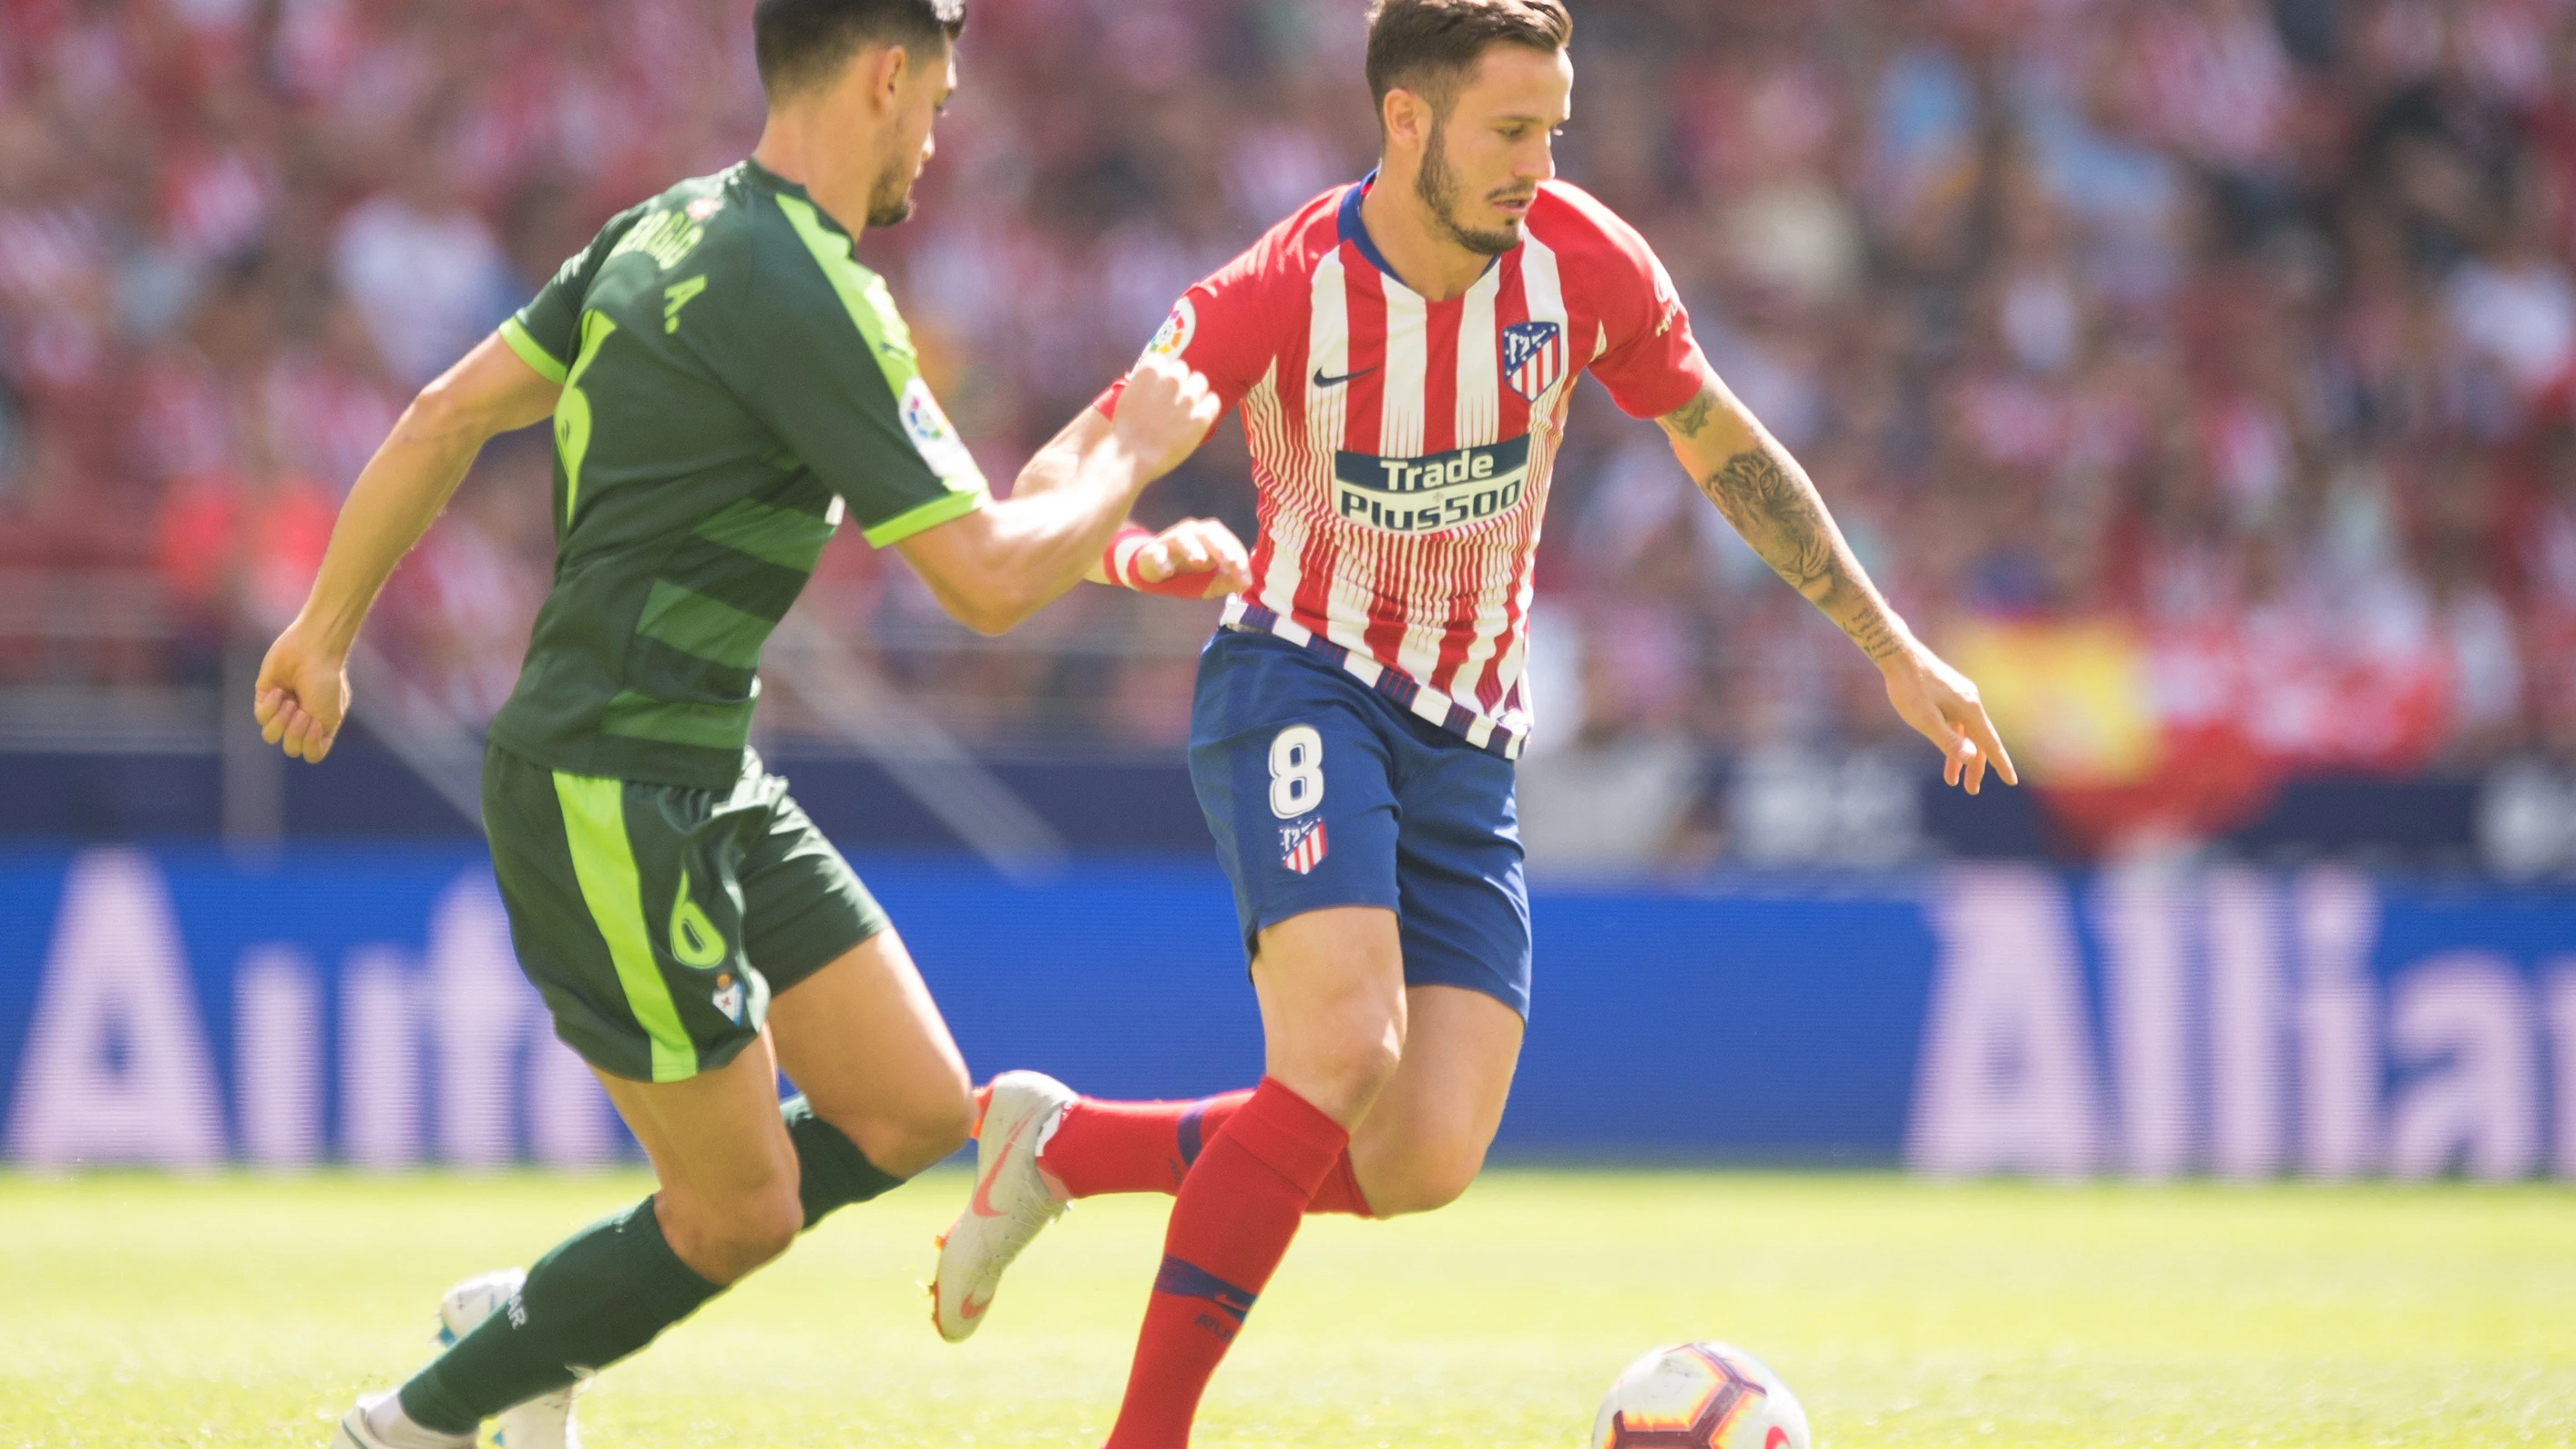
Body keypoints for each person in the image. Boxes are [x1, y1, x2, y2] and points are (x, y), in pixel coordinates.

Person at [927, 2, 2018, 1445]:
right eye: (1512, 130)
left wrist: (1888, 644)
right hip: (1298, 678)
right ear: (1408, 122)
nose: (1540, 161)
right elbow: (1070, 458)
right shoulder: (1285, 285)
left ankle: (1065, 1141)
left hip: (1469, 737)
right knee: (1342, 1052)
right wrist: (1126, 545)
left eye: (1554, 127)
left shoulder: (1585, 263)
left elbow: (1723, 447)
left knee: (1421, 1151)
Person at [250, 2, 1241, 1445]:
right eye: (941, 104)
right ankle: (409, 1421)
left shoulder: (664, 231)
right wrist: (1139, 452)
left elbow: (442, 414)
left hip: (705, 766)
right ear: (888, 77)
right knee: (739, 1213)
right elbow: (979, 583)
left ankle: (528, 1318)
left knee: (908, 1107)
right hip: (608, 777)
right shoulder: (813, 289)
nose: (936, 140)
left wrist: (322, 631)